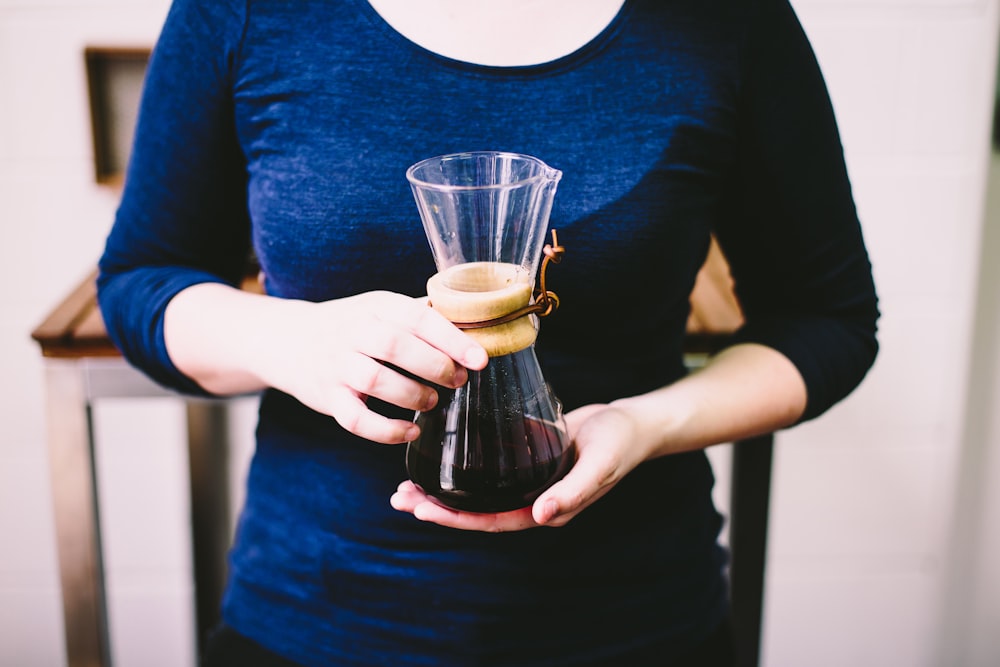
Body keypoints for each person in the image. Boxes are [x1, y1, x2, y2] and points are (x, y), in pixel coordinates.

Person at [96, 0, 880, 664]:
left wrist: (644, 423)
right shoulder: (246, 12)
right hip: (317, 614)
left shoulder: (728, 21)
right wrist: (290, 340)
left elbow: (829, 318)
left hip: (635, 616)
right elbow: (141, 280)